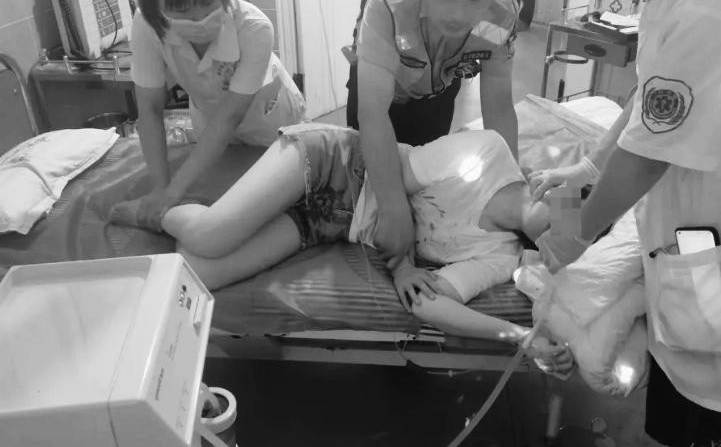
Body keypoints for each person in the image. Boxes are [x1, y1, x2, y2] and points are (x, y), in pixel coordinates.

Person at [112, 123, 571, 371]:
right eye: (563, 215)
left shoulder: (501, 255)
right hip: (335, 162)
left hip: (331, 221)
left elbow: (429, 305)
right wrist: (402, 264)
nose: (557, 233)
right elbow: (391, 182)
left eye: (568, 242)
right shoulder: (489, 153)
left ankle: (203, 215)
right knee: (209, 236)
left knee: (197, 271)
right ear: (552, 185)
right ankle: (152, 210)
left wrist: (520, 337)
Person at [535, 0, 721, 445]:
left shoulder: (705, 8)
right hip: (663, 232)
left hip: (698, 233)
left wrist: (577, 233)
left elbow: (646, 156)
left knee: (702, 402)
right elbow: (649, 99)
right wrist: (588, 168)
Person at [346, 0, 520, 270]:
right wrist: (392, 207)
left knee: (422, 187)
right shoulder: (389, 4)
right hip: (377, 94)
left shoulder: (499, 11)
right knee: (365, 196)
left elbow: (499, 106)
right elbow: (373, 114)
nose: (459, 15)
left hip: (437, 90)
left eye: (476, 1)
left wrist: (509, 183)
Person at [125, 0, 305, 231]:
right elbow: (149, 107)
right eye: (182, 10)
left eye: (208, 3)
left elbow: (230, 116)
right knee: (218, 195)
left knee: (270, 201)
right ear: (155, 8)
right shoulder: (148, 24)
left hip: (268, 119)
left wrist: (172, 193)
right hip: (209, 118)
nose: (200, 19)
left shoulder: (254, 27)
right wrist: (160, 188)